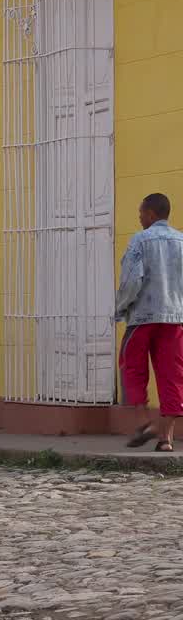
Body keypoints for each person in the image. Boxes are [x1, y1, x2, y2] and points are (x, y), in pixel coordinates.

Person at [116, 193, 183, 452]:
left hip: (143, 316)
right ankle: (165, 440)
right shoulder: (181, 241)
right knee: (172, 376)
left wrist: (121, 307)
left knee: (131, 367)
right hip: (175, 318)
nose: (140, 217)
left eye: (141, 213)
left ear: (152, 214)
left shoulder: (140, 241)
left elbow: (132, 280)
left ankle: (145, 423)